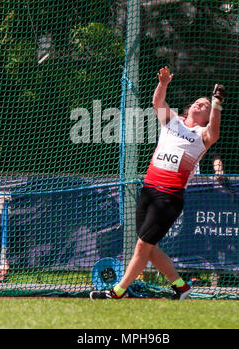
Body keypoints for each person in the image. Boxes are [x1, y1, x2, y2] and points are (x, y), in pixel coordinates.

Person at [90, 66, 225, 300]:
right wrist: (163, 83)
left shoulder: (203, 135)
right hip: (149, 190)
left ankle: (117, 292)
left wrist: (215, 103)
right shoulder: (173, 121)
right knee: (148, 248)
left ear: (206, 116)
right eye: (198, 102)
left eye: (204, 105)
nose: (199, 105)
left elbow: (215, 130)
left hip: (169, 197)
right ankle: (182, 287)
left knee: (142, 246)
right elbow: (157, 102)